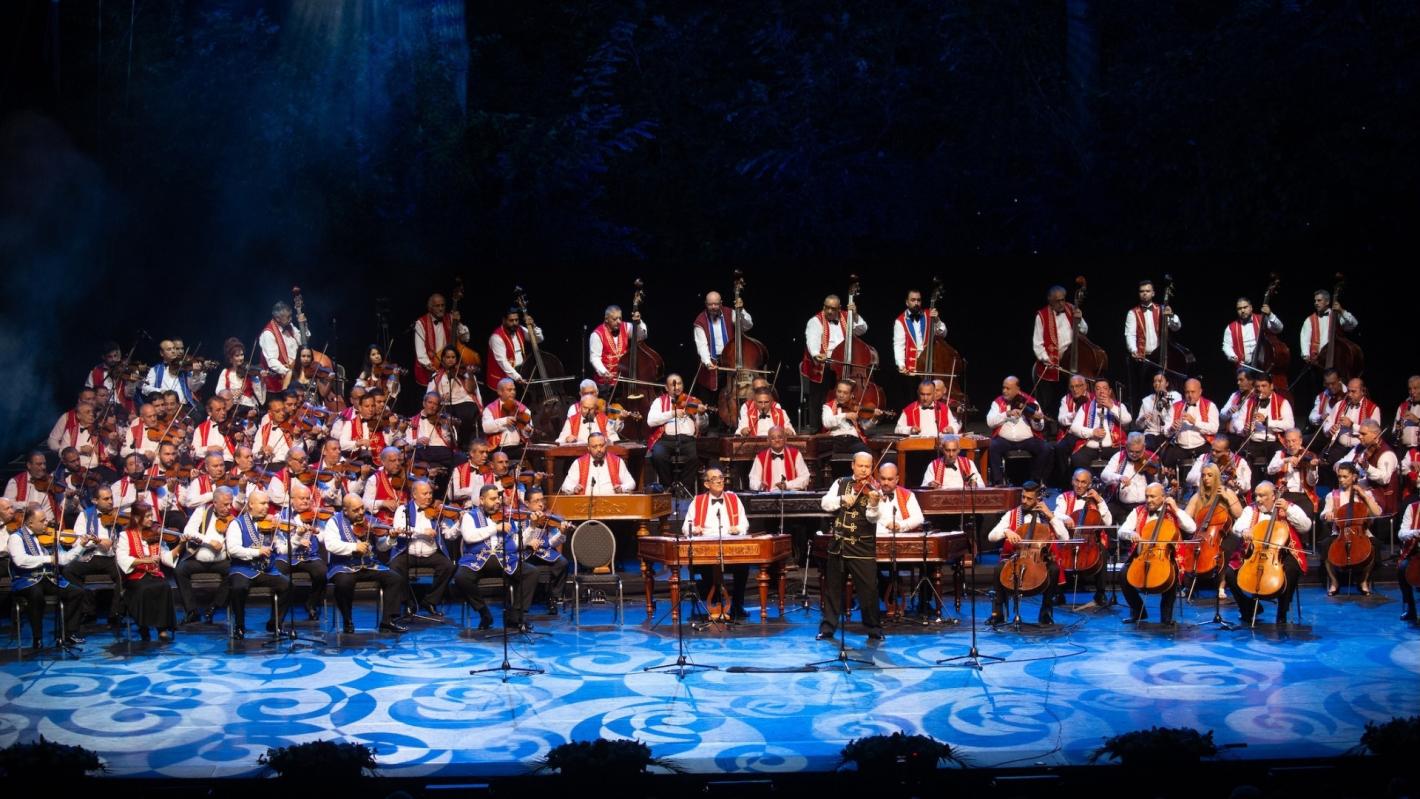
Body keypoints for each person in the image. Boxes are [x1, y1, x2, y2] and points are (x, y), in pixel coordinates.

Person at [817, 452, 884, 641]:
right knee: (833, 590)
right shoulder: (841, 482)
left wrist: (873, 504)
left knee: (869, 591)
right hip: (839, 545)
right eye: (860, 466)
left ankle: (874, 629)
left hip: (862, 547)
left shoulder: (874, 489)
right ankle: (828, 628)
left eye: (868, 467)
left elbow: (873, 518)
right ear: (853, 465)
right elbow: (825, 503)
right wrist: (841, 500)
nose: (864, 470)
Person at [455, 484, 540, 632]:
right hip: (477, 560)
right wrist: (495, 528)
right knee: (461, 577)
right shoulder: (470, 516)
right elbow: (468, 537)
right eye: (492, 499)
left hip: (504, 560)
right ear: (482, 500)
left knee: (532, 572)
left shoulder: (507, 517)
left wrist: (532, 526)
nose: (497, 502)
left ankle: (516, 616)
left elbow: (518, 543)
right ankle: (484, 613)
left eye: (498, 498)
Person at [1226, 482, 1311, 626]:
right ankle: (1247, 607)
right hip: (1255, 552)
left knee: (1291, 569)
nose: (1258, 499)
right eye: (1256, 496)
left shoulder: (1287, 507)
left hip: (1281, 554)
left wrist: (1288, 509)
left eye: (1262, 496)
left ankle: (1282, 612)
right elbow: (1237, 527)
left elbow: (1306, 526)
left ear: (1273, 496)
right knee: (1230, 572)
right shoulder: (1251, 509)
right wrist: (1245, 531)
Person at [986, 481, 1067, 626]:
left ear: (1038, 499)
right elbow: (991, 536)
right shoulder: (1012, 514)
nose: (1024, 501)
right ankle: (998, 613)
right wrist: (1006, 531)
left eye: (1029, 498)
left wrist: (1051, 516)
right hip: (1017, 558)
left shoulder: (1048, 515)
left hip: (1039, 560)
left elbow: (1065, 538)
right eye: (1023, 497)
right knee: (998, 569)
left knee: (1054, 569)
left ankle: (1046, 611)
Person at [7, 507, 89, 648]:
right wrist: (48, 559)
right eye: (42, 521)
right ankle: (37, 637)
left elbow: (62, 560)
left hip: (48, 578)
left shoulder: (49, 537)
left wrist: (81, 546)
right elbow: (20, 560)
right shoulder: (16, 537)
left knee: (77, 592)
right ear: (30, 523)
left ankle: (67, 634)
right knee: (36, 594)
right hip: (26, 580)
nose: (47, 523)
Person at [1117, 483, 1196, 626]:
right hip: (1142, 554)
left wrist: (1176, 509)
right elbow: (1121, 531)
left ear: (1163, 497)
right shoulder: (1138, 511)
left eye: (1152, 497)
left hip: (1166, 557)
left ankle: (1166, 617)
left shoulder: (1173, 512)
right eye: (1147, 496)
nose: (1148, 500)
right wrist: (1131, 534)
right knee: (1123, 574)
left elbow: (1192, 528)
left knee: (1171, 573)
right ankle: (1138, 610)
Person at [684, 468, 752, 621]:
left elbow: (744, 523)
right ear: (706, 484)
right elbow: (686, 526)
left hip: (730, 547)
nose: (720, 481)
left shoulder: (734, 498)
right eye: (715, 478)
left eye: (721, 477)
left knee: (743, 565)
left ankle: (737, 606)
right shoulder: (697, 501)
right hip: (707, 548)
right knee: (706, 566)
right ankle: (714, 605)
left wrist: (738, 529)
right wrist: (694, 529)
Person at [224, 490, 293, 640]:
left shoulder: (272, 525)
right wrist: (257, 552)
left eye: (267, 503)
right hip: (243, 569)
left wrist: (295, 537)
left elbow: (282, 550)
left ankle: (275, 624)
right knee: (238, 587)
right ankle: (239, 626)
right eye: (263, 503)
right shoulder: (237, 524)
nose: (267, 507)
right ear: (251, 504)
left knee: (286, 584)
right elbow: (233, 550)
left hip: (266, 570)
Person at [801, 294, 868, 431]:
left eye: (833, 308)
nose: (830, 311)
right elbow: (812, 342)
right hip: (825, 362)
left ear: (839, 308)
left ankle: (850, 424)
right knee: (819, 396)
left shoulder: (847, 316)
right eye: (827, 307)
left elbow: (862, 330)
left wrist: (855, 315)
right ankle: (816, 429)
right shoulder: (815, 321)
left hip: (845, 361)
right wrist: (816, 354)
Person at [115, 503, 178, 642]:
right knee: (144, 589)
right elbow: (122, 559)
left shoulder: (155, 535)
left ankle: (162, 629)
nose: (151, 519)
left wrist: (181, 545)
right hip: (135, 577)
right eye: (147, 516)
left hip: (154, 574)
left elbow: (166, 558)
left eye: (151, 515)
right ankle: (143, 626)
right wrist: (145, 560)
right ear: (137, 518)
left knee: (164, 586)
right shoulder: (125, 535)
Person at [1319, 462, 1383, 596]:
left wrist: (1364, 495)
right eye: (1339, 476)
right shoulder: (1333, 495)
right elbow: (1323, 514)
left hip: (1362, 533)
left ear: (1354, 477)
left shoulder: (1365, 494)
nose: (1341, 480)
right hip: (1339, 533)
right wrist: (1327, 515)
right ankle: (1334, 582)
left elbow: (1378, 513)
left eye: (1345, 476)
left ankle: (1363, 581)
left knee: (1375, 545)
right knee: (1325, 546)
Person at [1056, 467, 1113, 606]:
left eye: (1083, 482)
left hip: (1090, 541)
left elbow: (1108, 522)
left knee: (1102, 552)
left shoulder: (1097, 500)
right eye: (1077, 481)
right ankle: (1058, 593)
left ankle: (1100, 593)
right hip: (1070, 538)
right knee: (1056, 551)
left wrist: (1099, 501)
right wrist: (1065, 518)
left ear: (1089, 484)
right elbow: (1056, 513)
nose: (1079, 485)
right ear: (1072, 481)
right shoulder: (1064, 497)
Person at [1031, 284, 1088, 418]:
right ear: (1050, 300)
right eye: (1058, 301)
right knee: (1049, 404)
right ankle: (1048, 426)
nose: (1062, 303)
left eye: (1063, 299)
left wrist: (1079, 320)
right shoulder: (1041, 315)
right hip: (1051, 366)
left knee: (1067, 400)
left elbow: (1084, 331)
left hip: (1069, 364)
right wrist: (1046, 360)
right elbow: (1037, 344)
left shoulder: (1072, 308)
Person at [1123, 279, 1181, 406]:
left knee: (1166, 387)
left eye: (1148, 291)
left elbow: (1176, 327)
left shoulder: (1162, 309)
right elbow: (1130, 335)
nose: (1145, 293)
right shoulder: (1132, 313)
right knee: (1146, 390)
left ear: (1153, 293)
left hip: (1162, 357)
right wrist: (1133, 350)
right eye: (1142, 291)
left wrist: (1171, 316)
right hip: (1145, 358)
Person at [986, 377, 1051, 486]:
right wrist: (1007, 414)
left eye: (1008, 388)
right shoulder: (997, 402)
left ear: (1017, 389)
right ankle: (998, 482)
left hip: (1028, 440)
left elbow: (1039, 428)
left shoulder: (1031, 402)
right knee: (993, 446)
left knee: (1045, 448)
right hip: (1005, 440)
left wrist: (1036, 419)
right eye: (1003, 388)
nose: (1004, 391)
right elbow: (990, 422)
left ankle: (1035, 481)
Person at [646, 374, 704, 492]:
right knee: (658, 455)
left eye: (679, 383)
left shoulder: (692, 401)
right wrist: (672, 413)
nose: (677, 387)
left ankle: (684, 488)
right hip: (666, 439)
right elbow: (650, 421)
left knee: (699, 455)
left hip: (688, 440)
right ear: (666, 388)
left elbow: (704, 426)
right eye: (673, 384)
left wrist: (702, 415)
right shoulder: (659, 401)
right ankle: (667, 486)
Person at [560, 432, 636, 495]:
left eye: (601, 445)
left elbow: (631, 483)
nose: (599, 449)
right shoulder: (578, 463)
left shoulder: (617, 461)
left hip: (613, 504)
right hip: (585, 504)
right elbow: (565, 486)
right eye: (595, 446)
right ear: (589, 448)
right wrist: (574, 488)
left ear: (606, 445)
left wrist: (622, 488)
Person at [748, 426, 811, 492]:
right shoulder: (760, 457)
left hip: (791, 495)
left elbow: (805, 477)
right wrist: (759, 485)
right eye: (773, 438)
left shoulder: (795, 454)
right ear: (768, 441)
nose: (777, 440)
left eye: (780, 437)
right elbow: (753, 479)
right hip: (768, 496)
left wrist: (787, 485)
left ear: (785, 439)